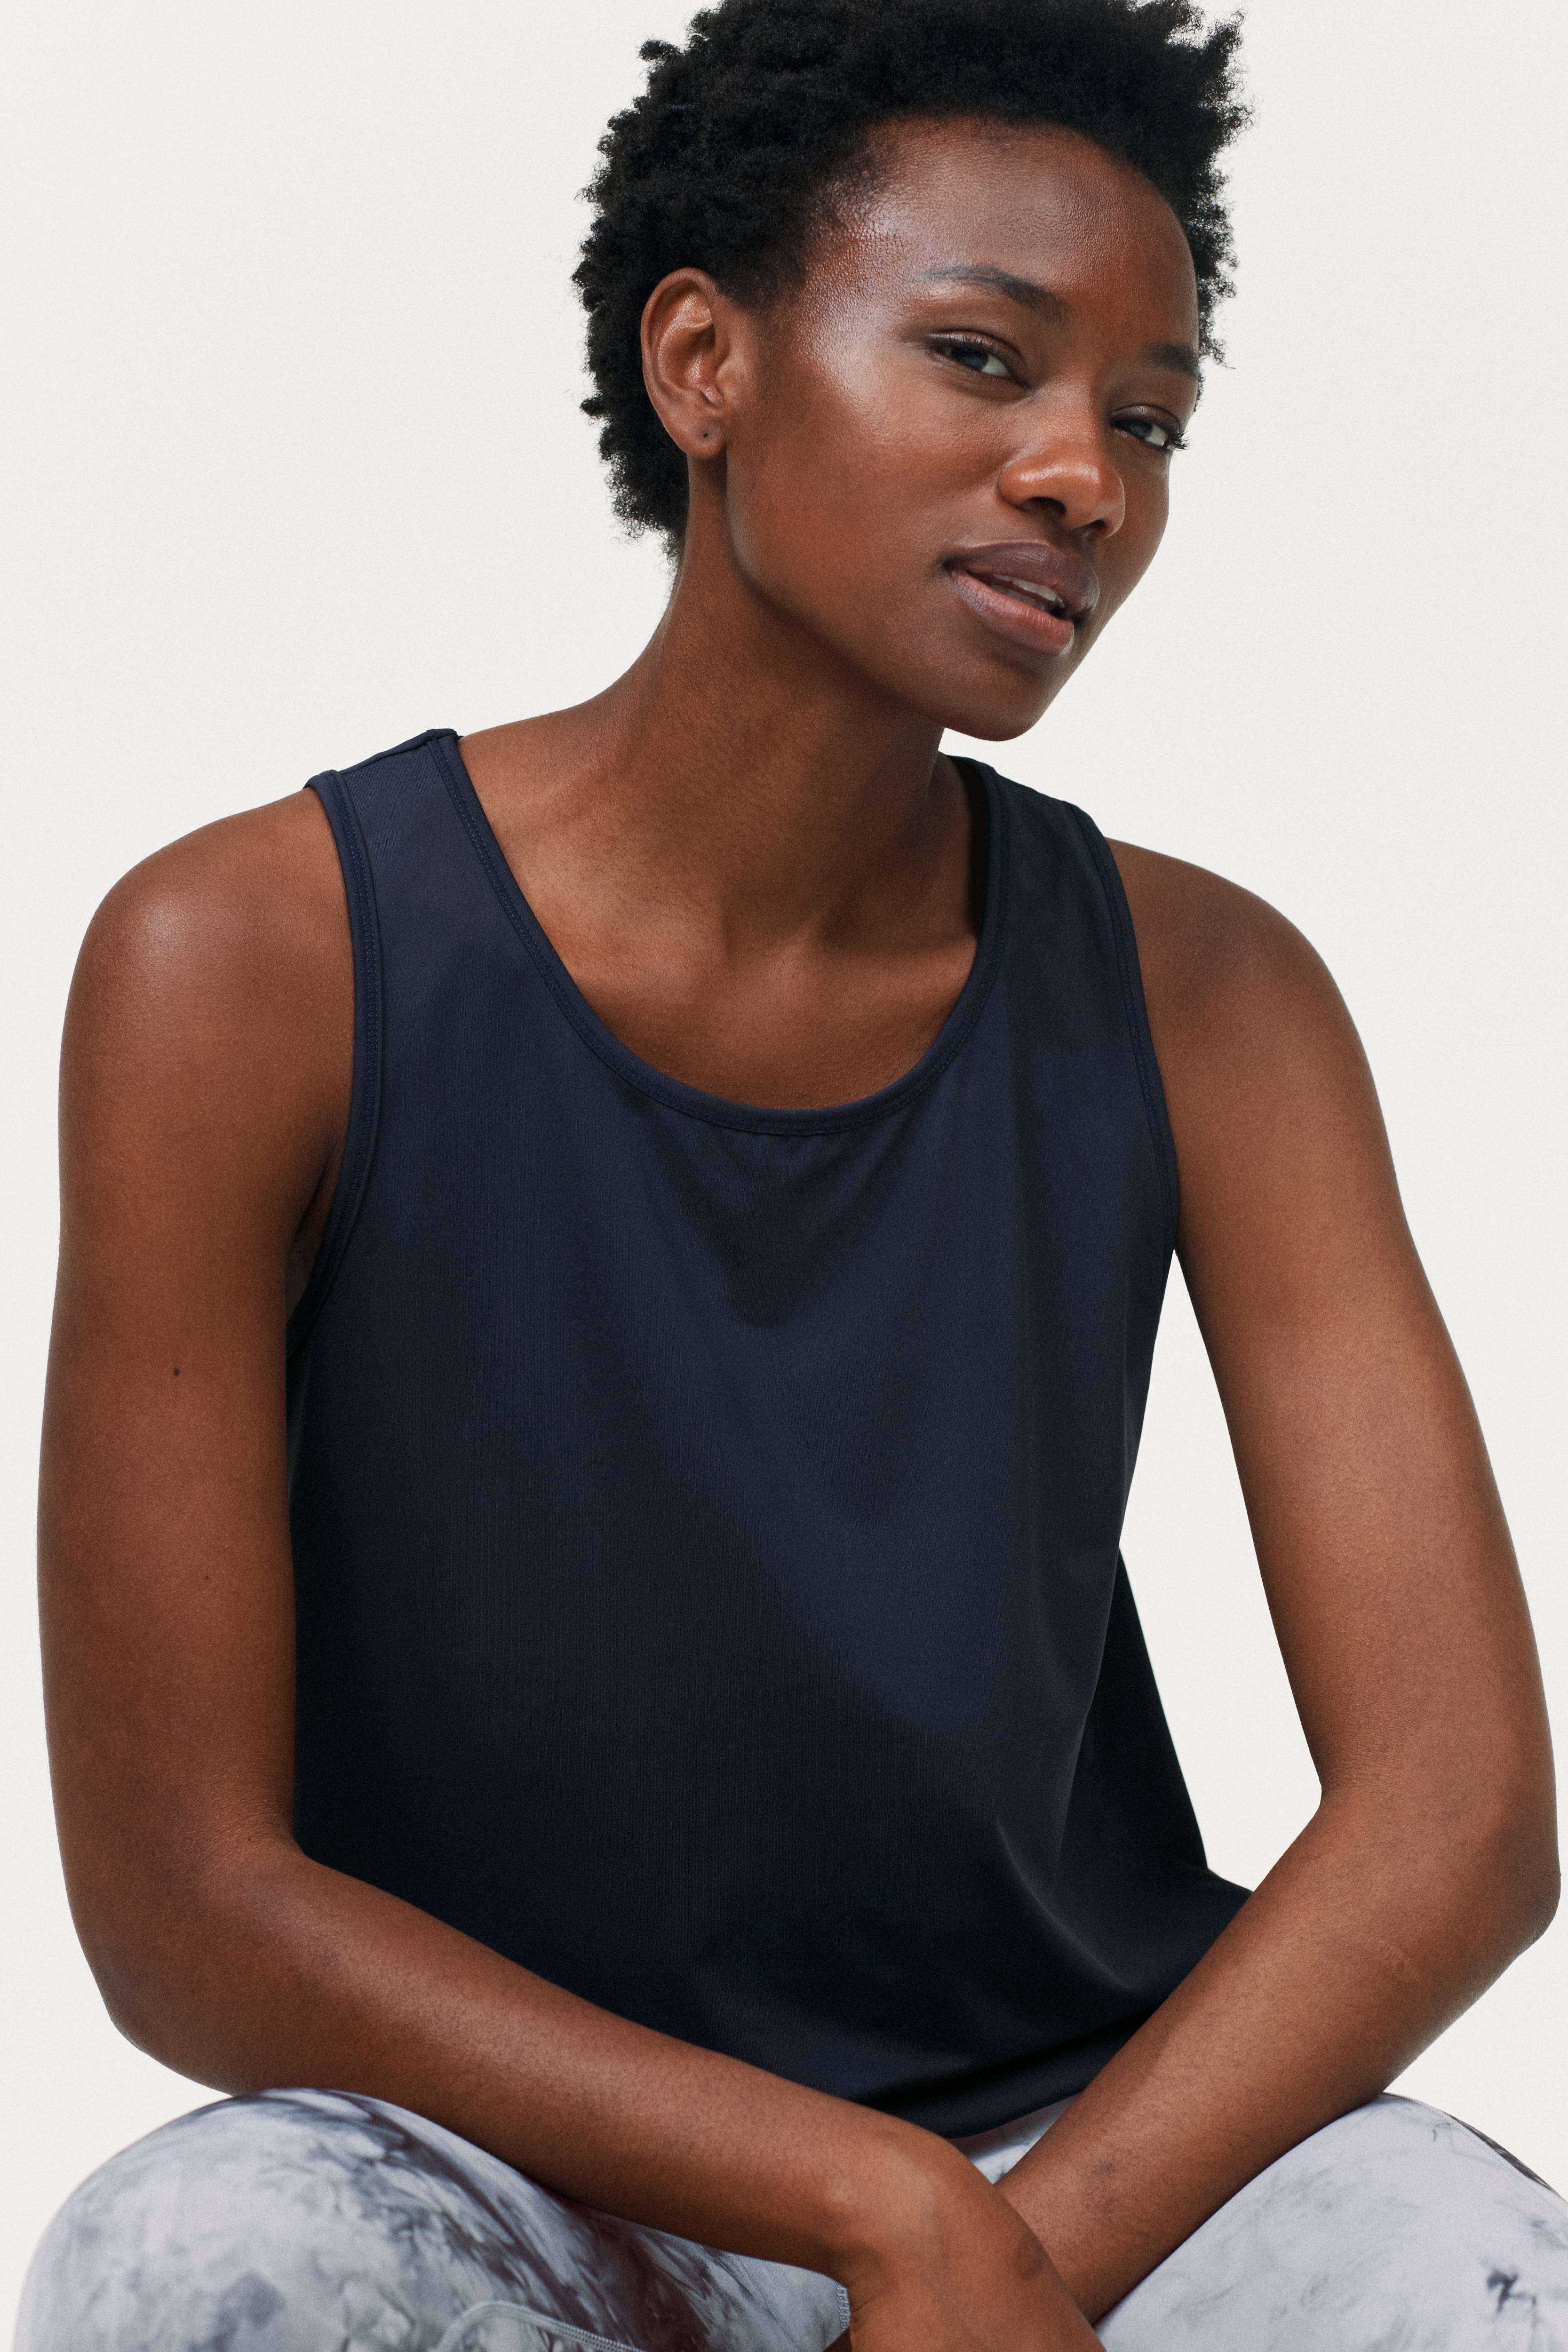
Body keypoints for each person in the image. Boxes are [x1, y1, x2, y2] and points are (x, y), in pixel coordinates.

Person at [21, 0, 1567, 2346]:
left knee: (1484, 2281)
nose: (1085, 476)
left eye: (1149, 419)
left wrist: (996, 2255)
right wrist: (868, 2201)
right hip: (513, 2165)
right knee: (188, 2262)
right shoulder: (246, 962)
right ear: (705, 362)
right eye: (984, 358)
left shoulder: (1209, 994)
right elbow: (185, 1901)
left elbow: (1457, 1807)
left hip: (1083, 2160)